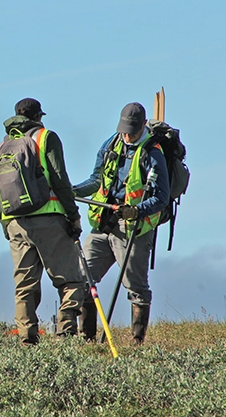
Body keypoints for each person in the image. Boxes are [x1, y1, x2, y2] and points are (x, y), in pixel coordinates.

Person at [73, 102, 170, 345]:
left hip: (134, 229)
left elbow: (162, 197)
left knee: (135, 286)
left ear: (141, 127)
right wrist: (72, 191)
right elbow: (96, 179)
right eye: (124, 129)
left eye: (132, 131)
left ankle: (137, 342)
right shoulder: (110, 144)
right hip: (103, 223)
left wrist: (136, 211)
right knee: (82, 278)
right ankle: (87, 341)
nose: (127, 135)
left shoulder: (153, 153)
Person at [0, 97, 85, 346]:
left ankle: (27, 339)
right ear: (38, 117)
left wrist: (5, 225)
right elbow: (60, 179)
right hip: (49, 219)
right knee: (70, 279)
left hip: (15, 223)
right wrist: (73, 215)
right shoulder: (46, 138)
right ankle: (66, 332)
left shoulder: (2, 146)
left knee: (25, 284)